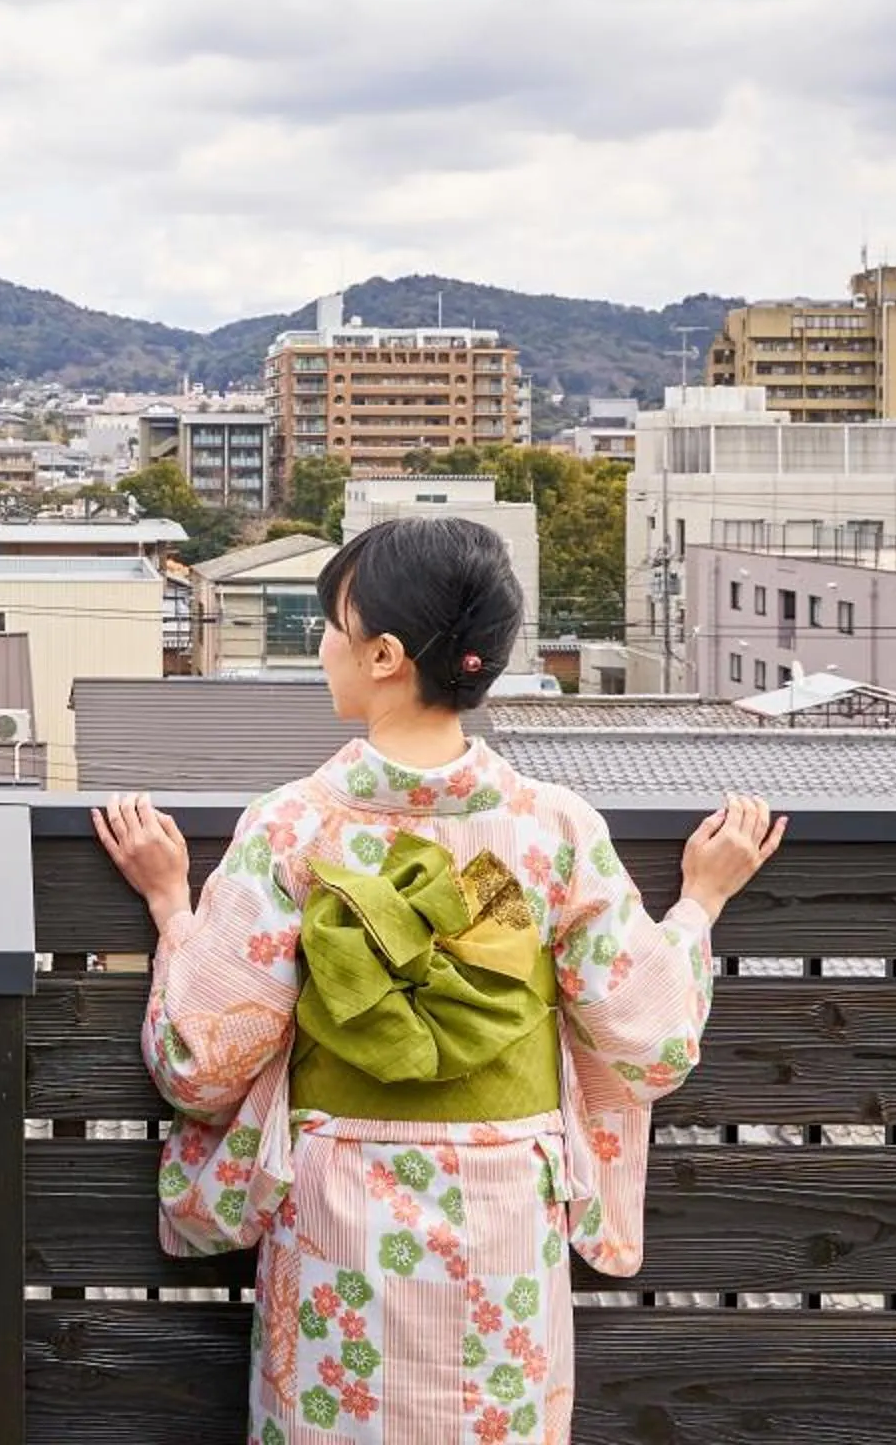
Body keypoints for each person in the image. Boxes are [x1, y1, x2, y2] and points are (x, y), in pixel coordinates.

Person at [96, 514, 783, 1445]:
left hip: (339, 1210)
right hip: (506, 1207)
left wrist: (172, 910)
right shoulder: (555, 829)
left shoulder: (293, 828)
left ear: (383, 654)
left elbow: (200, 1062)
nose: (322, 644)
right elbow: (650, 1042)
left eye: (333, 624)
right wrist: (698, 903)